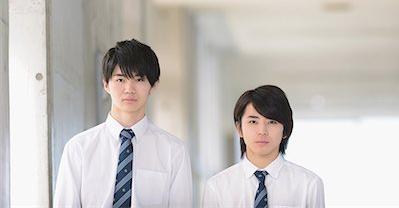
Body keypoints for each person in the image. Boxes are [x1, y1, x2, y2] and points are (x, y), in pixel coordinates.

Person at [54, 39, 192, 208]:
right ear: (106, 84)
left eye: (139, 79)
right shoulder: (78, 148)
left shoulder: (174, 151)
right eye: (120, 80)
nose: (129, 89)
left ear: (153, 85)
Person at [202, 85, 325, 208]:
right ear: (239, 129)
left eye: (272, 122)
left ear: (285, 130)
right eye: (253, 122)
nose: (262, 131)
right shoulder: (216, 187)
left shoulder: (309, 185)